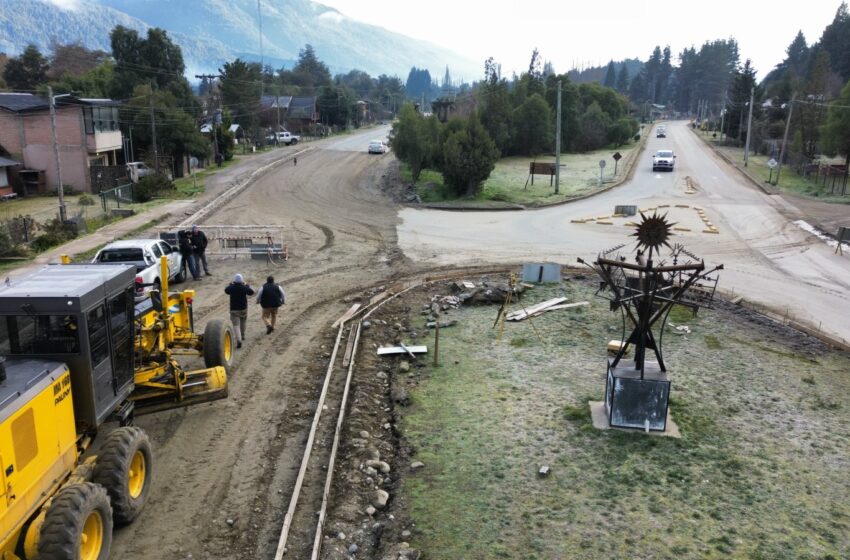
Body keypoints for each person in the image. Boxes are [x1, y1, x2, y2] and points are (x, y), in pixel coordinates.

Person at [225, 274, 254, 348]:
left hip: (234, 309)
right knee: (243, 322)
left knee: (236, 325)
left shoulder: (232, 287)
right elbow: (251, 292)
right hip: (243, 308)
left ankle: (239, 340)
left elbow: (226, 290)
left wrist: (231, 284)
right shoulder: (244, 287)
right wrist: (246, 285)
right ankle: (243, 335)